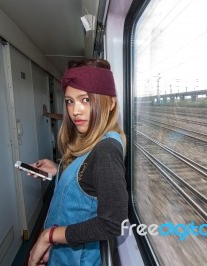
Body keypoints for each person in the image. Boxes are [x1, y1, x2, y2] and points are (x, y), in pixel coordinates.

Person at [27, 58, 128, 266]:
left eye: (85, 100)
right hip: (63, 253)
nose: (75, 111)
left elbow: (113, 224)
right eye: (70, 101)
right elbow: (89, 179)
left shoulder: (107, 150)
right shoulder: (92, 137)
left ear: (110, 103)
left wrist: (49, 236)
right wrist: (59, 169)